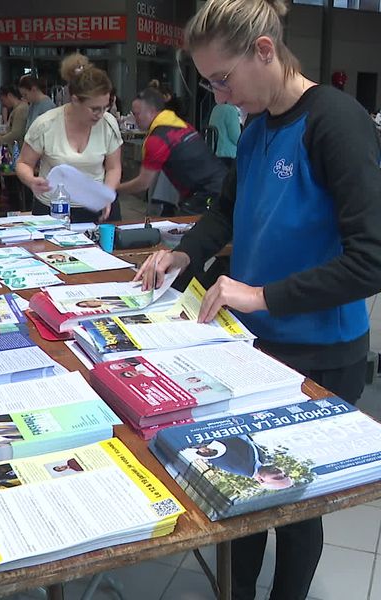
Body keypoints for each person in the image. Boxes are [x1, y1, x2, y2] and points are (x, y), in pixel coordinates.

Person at [133, 1, 381, 598]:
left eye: (223, 79)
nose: (219, 96)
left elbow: (371, 257)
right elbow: (228, 209)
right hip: (254, 343)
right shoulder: (256, 125)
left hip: (320, 352)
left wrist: (262, 294)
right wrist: (184, 252)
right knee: (237, 483)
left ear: (264, 51)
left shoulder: (335, 122)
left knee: (296, 505)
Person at [16, 65, 122, 223]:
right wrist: (31, 181)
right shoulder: (46, 124)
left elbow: (113, 167)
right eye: (94, 109)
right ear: (75, 100)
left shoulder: (108, 123)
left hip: (96, 208)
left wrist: (107, 193)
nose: (100, 114)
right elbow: (24, 163)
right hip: (52, 208)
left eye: (104, 107)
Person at [117, 87, 227, 215]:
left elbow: (143, 183)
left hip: (205, 194)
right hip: (222, 182)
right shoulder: (180, 123)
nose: (135, 119)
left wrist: (114, 189)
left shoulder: (157, 139)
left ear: (151, 111)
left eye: (137, 114)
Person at [189, 438, 293, 489]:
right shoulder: (261, 459)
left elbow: (207, 450)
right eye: (284, 475)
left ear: (261, 480)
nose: (280, 473)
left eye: (278, 478)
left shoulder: (241, 467)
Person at [0, 85, 29, 152]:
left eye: (3, 100)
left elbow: (17, 133)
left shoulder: (20, 110)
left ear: (9, 95)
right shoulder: (16, 109)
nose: (3, 103)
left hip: (21, 150)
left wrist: (0, 140)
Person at [208, 101, 241, 168]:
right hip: (228, 156)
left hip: (215, 153)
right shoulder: (230, 111)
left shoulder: (216, 108)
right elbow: (236, 138)